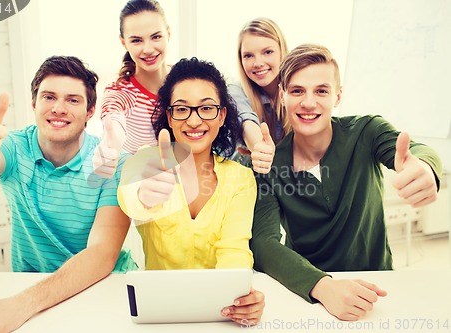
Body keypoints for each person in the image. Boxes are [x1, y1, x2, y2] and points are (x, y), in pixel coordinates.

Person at [251, 44, 442, 321]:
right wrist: (323, 287)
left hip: (377, 288)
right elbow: (263, 244)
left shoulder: (367, 132)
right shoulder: (267, 165)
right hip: (310, 294)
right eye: (297, 91)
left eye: (321, 90)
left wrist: (425, 167)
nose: (308, 102)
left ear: (338, 96)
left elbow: (418, 152)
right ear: (282, 96)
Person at [0, 56, 136, 333]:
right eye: (49, 97)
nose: (59, 108)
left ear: (90, 111)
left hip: (105, 285)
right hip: (31, 289)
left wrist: (22, 305)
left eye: (73, 100)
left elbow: (102, 254)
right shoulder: (14, 147)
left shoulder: (112, 162)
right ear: (34, 104)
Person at [118, 57, 265, 325]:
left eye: (207, 108)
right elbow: (129, 199)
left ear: (221, 116)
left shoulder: (241, 178)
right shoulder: (146, 162)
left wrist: (241, 299)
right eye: (182, 109)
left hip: (219, 313)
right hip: (158, 311)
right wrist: (144, 196)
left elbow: (235, 249)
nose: (195, 121)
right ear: (169, 117)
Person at [92, 0, 171, 178]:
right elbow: (113, 117)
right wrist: (110, 145)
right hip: (143, 190)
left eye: (156, 37)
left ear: (168, 34)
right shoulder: (121, 92)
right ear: (124, 43)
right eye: (136, 40)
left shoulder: (185, 80)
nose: (148, 49)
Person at [228, 18, 289, 174]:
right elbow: (246, 121)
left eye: (267, 52)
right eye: (248, 56)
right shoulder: (235, 90)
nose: (258, 63)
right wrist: (260, 147)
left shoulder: (298, 89)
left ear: (282, 50)